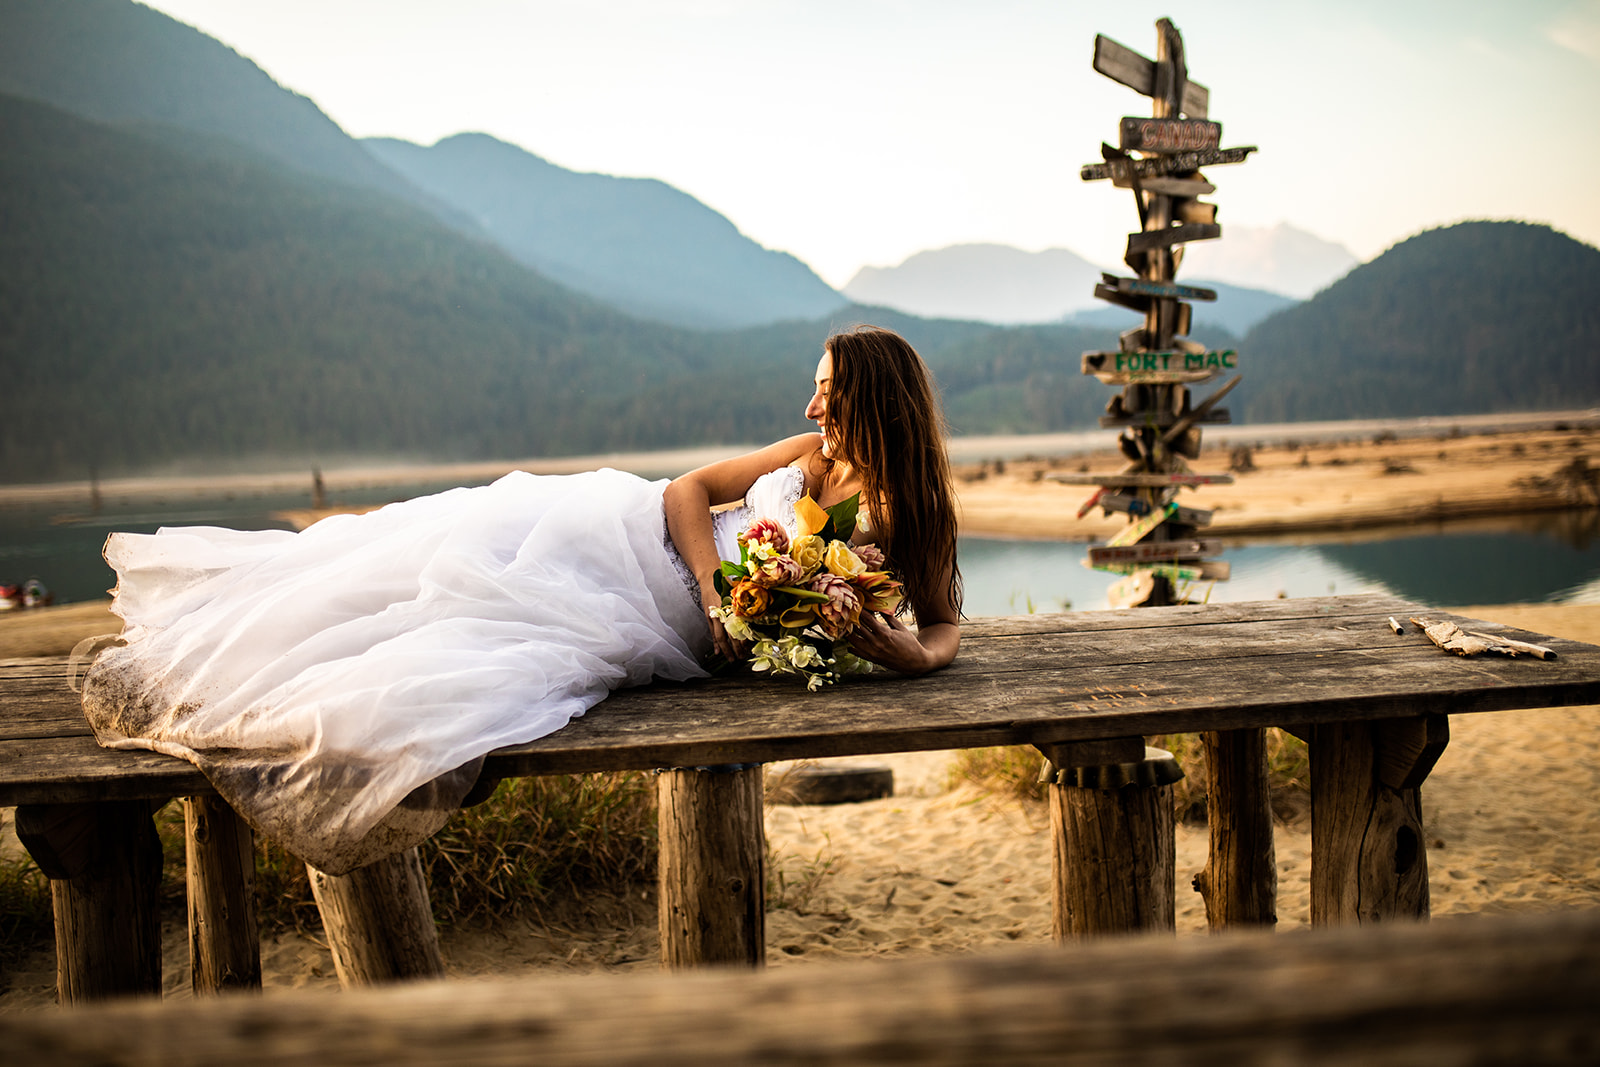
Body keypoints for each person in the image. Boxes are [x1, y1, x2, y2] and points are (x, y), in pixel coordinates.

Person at [80, 325, 962, 874]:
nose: (810, 402)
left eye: (829, 389)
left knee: (474, 630)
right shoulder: (802, 457)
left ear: (875, 403)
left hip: (672, 627)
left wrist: (911, 652)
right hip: (642, 543)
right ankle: (236, 653)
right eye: (815, 383)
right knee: (452, 549)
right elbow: (685, 490)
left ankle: (292, 706)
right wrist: (712, 580)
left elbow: (942, 622)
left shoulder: (911, 514)